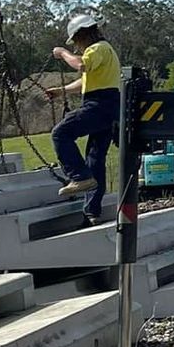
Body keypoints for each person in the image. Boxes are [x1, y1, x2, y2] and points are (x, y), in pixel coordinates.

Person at [50, 13, 121, 223]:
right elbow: (85, 81)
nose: (76, 47)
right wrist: (61, 91)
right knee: (95, 158)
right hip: (109, 106)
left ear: (83, 35)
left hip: (99, 104)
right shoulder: (105, 52)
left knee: (60, 134)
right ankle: (92, 212)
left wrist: (62, 53)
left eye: (76, 42)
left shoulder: (97, 49)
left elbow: (81, 65)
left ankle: (79, 177)